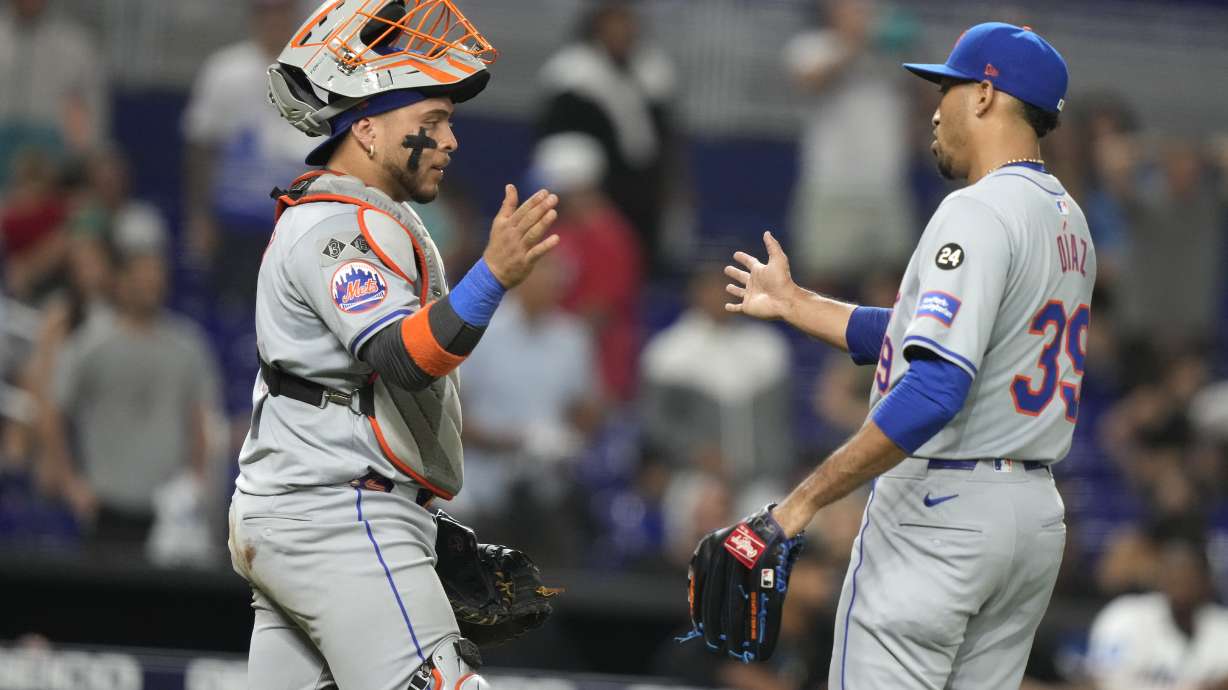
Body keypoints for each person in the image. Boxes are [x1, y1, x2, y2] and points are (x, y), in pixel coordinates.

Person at [715, 23, 1093, 687]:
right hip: (1030, 521)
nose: (933, 107)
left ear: (983, 96)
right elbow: (932, 331)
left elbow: (937, 384)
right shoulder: (1069, 219)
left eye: (945, 89)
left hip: (943, 507)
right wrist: (798, 303)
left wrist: (797, 506)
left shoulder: (975, 210)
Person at [228, 2, 560, 688]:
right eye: (429, 123)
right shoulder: (336, 227)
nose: (449, 140)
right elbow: (403, 359)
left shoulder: (366, 216)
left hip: (308, 506)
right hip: (337, 515)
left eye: (448, 123)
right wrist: (493, 275)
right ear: (369, 130)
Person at [783, 0, 916, 288]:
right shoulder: (812, 46)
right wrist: (855, 43)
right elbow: (811, 81)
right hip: (832, 181)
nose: (862, 13)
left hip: (884, 181)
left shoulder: (892, 50)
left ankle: (885, 335)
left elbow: (919, 101)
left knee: (889, 276)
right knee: (821, 275)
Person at [1086, 536, 1228, 690]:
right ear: (1161, 577)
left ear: (1206, 581)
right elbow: (1104, 682)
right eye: (1175, 575)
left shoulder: (1222, 624)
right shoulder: (1124, 616)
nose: (1182, 582)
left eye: (1190, 575)